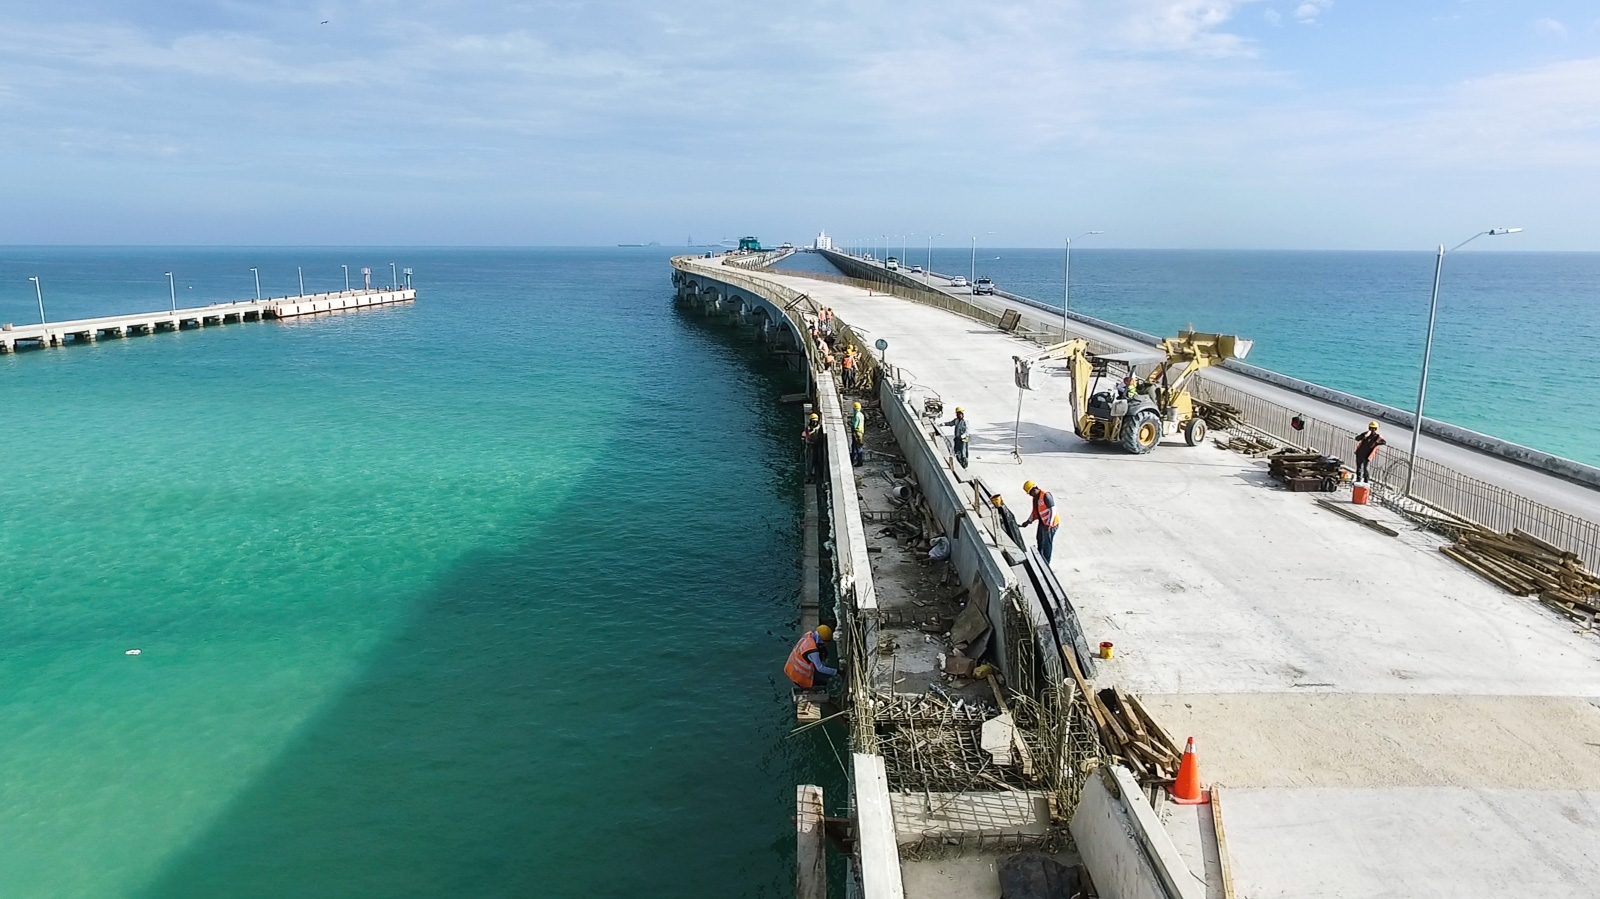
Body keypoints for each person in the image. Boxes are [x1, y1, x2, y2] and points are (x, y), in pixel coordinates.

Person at [784, 624, 837, 689]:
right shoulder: (813, 651)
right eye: (825, 642)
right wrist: (835, 672)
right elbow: (820, 668)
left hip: (790, 668)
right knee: (824, 681)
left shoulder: (808, 635)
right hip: (799, 675)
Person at [1022, 479, 1061, 563]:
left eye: (1030, 493)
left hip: (1051, 524)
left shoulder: (1046, 495)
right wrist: (1028, 521)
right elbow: (1035, 512)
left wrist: (1049, 524)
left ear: (1034, 489)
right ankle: (1039, 557)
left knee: (1047, 543)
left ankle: (1046, 562)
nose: (1030, 495)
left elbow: (1053, 510)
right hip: (1043, 522)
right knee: (1039, 538)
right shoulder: (1035, 498)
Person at [801, 412, 824, 481]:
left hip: (817, 446)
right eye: (813, 421)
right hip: (810, 446)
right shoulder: (808, 428)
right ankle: (809, 475)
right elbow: (806, 435)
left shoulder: (819, 428)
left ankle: (816, 474)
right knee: (810, 461)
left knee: (817, 460)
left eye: (815, 421)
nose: (814, 423)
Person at [850, 401, 867, 465]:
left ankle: (857, 461)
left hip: (856, 432)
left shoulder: (856, 416)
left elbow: (855, 425)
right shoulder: (861, 415)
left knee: (856, 447)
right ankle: (857, 460)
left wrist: (850, 424)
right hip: (861, 432)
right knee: (858, 446)